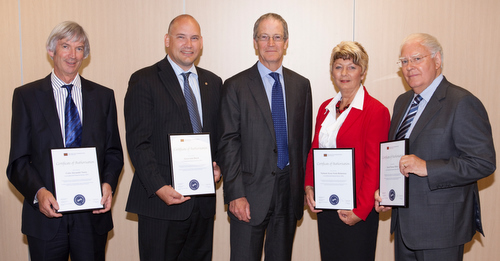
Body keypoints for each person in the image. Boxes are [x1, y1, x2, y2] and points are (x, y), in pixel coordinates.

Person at [6, 21, 124, 260]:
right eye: (65, 46)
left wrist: (108, 184)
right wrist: (39, 192)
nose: (72, 55)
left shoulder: (103, 96)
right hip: (46, 217)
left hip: (91, 216)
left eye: (79, 48)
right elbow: (18, 161)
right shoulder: (26, 97)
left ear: (85, 55)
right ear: (51, 51)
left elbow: (113, 153)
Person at [375, 33, 496, 260]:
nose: (409, 66)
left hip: (441, 230)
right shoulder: (402, 103)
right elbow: (398, 158)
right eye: (404, 61)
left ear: (437, 60)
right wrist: (389, 192)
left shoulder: (461, 102)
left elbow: (483, 163)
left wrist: (428, 167)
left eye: (417, 59)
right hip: (404, 228)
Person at [124, 14, 222, 261]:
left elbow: (220, 137)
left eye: (194, 38)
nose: (188, 44)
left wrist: (220, 166)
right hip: (161, 205)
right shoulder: (144, 80)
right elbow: (138, 142)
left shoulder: (214, 82)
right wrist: (159, 187)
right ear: (167, 40)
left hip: (202, 207)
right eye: (181, 37)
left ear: (201, 43)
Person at [218, 13, 312, 261]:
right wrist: (235, 194)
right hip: (248, 195)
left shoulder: (301, 85)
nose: (271, 43)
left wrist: (304, 187)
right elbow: (228, 143)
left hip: (288, 194)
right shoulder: (235, 86)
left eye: (277, 37)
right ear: (255, 41)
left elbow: (304, 143)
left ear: (286, 42)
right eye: (264, 37)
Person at [304, 41, 390, 260]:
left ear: (363, 72)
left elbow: (374, 166)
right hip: (327, 206)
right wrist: (309, 187)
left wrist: (360, 211)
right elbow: (315, 150)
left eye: (351, 67)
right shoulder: (325, 108)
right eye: (338, 66)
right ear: (332, 71)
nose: (344, 73)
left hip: (356, 210)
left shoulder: (375, 111)